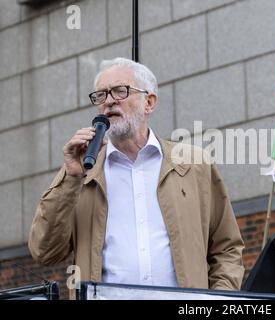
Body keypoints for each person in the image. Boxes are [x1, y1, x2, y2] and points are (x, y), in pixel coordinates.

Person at [28, 57, 245, 294]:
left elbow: (227, 248)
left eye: (120, 91)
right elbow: (44, 252)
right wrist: (71, 178)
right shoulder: (83, 173)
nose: (109, 101)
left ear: (149, 102)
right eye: (101, 95)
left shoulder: (193, 165)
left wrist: (216, 302)